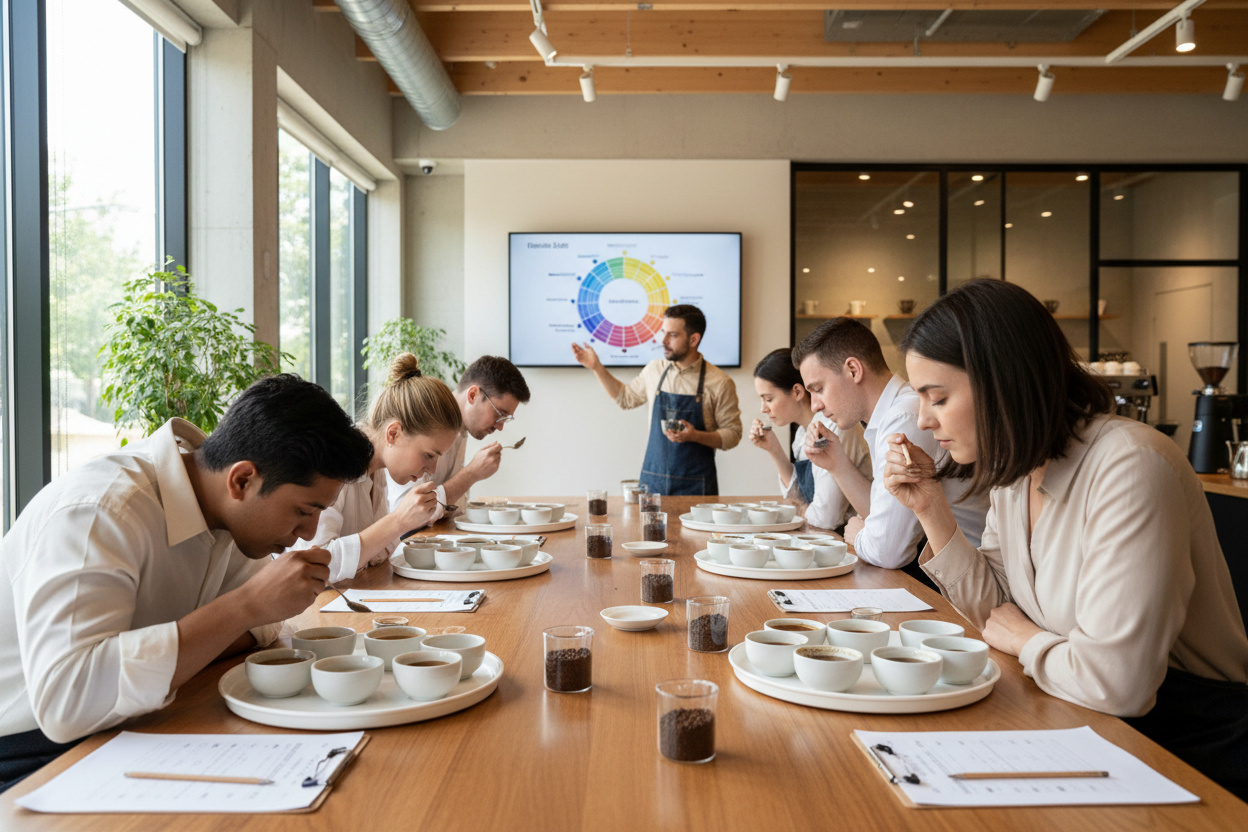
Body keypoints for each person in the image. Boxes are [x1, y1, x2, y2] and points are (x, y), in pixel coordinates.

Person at [882, 278, 1248, 800]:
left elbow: (1118, 685)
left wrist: (1024, 640)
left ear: (1002, 381)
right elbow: (995, 613)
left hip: (1187, 750)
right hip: (1078, 720)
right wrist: (930, 508)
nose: (923, 419)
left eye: (937, 397)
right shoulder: (1015, 473)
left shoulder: (1130, 465)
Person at [0, 375, 374, 792]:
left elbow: (269, 623)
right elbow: (66, 702)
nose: (309, 532)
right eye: (304, 511)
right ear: (242, 480)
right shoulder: (101, 512)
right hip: (29, 751)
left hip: (139, 725)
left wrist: (213, 632)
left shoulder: (229, 517)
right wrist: (242, 608)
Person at [792, 317, 987, 572]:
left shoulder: (903, 417)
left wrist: (859, 535)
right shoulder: (887, 416)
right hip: (947, 568)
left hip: (966, 573)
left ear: (853, 370)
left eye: (818, 389)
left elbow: (888, 552)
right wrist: (836, 463)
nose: (814, 405)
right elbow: (883, 516)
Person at [290, 354, 463, 580]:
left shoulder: (378, 470)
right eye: (429, 455)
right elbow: (314, 563)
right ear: (394, 433)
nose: (431, 469)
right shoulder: (332, 463)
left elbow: (378, 554)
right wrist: (398, 520)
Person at [572, 304, 742, 496]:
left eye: (673, 335)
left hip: (697, 486)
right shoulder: (654, 369)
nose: (664, 341)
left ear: (694, 339)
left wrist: (695, 436)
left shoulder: (720, 382)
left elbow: (733, 434)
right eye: (663, 333)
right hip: (653, 483)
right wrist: (596, 367)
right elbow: (625, 398)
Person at [386, 355, 531, 518]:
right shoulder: (426, 419)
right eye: (500, 414)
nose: (500, 426)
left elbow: (453, 509)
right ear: (473, 395)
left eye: (505, 419)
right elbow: (407, 512)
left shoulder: (462, 428)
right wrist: (472, 473)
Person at [748, 348, 870, 531]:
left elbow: (826, 518)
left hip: (847, 536)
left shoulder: (830, 428)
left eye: (769, 399)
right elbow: (797, 497)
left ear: (797, 391)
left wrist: (798, 509)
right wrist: (772, 448)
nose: (763, 409)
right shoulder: (801, 434)